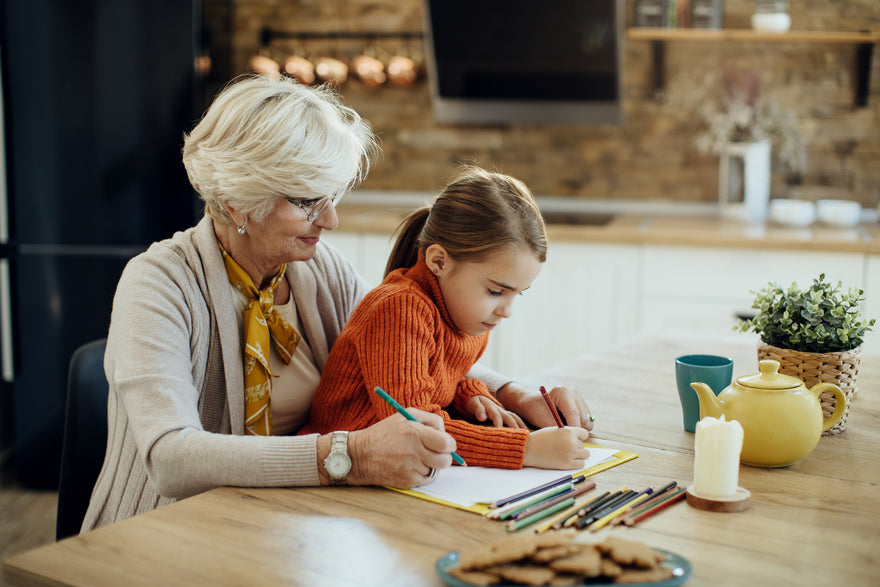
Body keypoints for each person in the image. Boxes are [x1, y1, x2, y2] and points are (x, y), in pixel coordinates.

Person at [81, 75, 592, 532]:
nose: (331, 220)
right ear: (238, 198)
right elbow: (172, 460)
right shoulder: (157, 284)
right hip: (163, 535)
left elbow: (403, 350)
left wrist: (515, 394)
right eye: (306, 201)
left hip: (284, 522)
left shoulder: (317, 269)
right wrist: (347, 456)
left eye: (333, 196)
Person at [299, 167, 592, 470]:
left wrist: (472, 395)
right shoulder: (399, 309)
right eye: (495, 291)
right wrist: (526, 448)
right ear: (438, 261)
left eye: (519, 293)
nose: (506, 310)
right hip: (340, 472)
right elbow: (416, 428)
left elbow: (437, 380)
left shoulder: (467, 318)